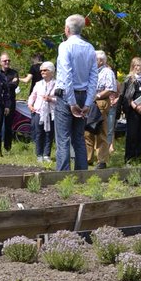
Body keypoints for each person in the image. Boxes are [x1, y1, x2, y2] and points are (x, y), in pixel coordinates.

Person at [53, 14, 98, 171]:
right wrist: (88, 103)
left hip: (67, 95)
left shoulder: (65, 46)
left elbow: (67, 75)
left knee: (63, 138)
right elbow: (94, 78)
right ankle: (81, 174)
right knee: (78, 137)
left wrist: (71, 102)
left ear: (67, 29)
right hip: (83, 94)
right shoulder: (90, 48)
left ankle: (63, 175)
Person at [85, 50, 119, 168]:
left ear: (100, 60)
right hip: (88, 103)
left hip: (101, 103)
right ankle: (88, 159)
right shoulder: (90, 71)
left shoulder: (107, 72)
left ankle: (102, 161)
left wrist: (97, 95)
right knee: (87, 131)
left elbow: (110, 88)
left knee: (101, 131)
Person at [27, 61, 55, 162]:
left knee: (49, 134)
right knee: (39, 133)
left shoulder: (57, 84)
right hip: (38, 112)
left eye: (45, 70)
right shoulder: (38, 84)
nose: (42, 72)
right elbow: (32, 96)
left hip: (50, 113)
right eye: (41, 70)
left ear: (51, 71)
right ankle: (39, 154)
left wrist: (51, 99)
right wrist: (30, 105)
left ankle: (46, 154)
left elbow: (60, 99)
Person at [0, 53, 22, 152]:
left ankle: (7, 148)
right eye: (5, 61)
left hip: (10, 102)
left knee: (8, 126)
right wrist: (9, 83)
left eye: (9, 60)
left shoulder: (14, 73)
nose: (7, 62)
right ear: (0, 62)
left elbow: (14, 85)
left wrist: (3, 85)